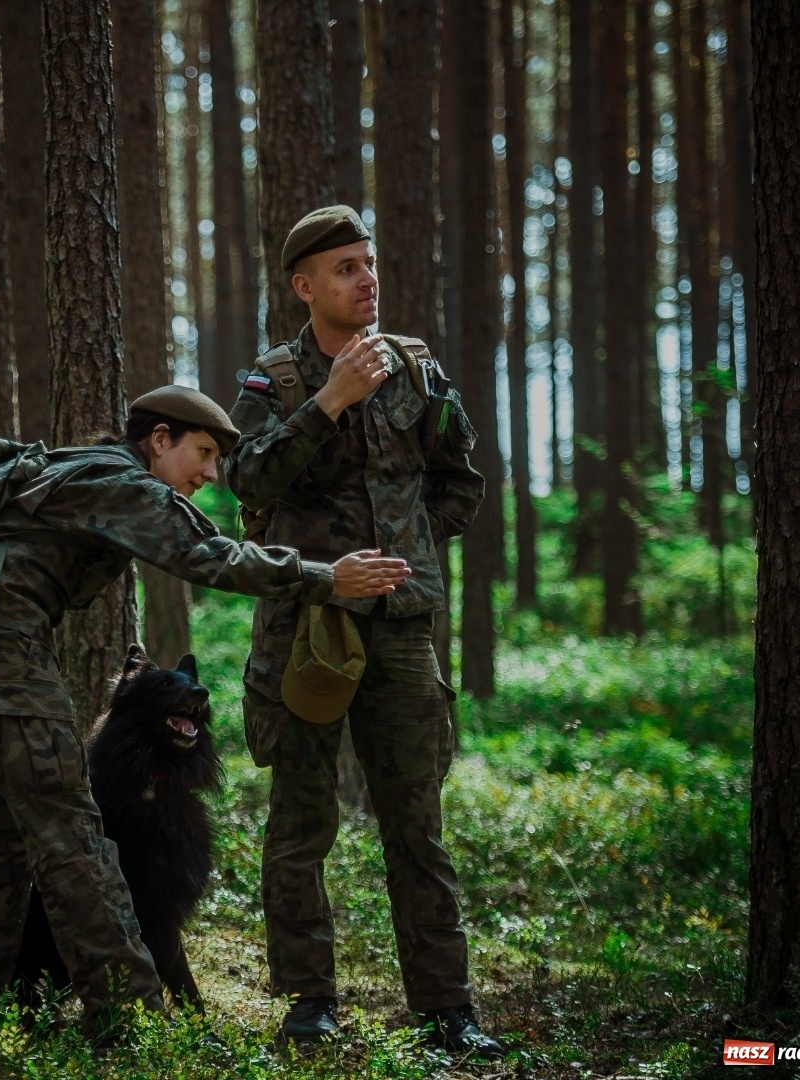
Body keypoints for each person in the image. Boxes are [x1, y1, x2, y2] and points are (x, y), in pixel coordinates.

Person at [0, 383, 410, 1044]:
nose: (212, 473)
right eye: (202, 452)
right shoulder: (127, 484)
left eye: (219, 460)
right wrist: (323, 576)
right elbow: (211, 555)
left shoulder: (71, 468)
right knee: (70, 832)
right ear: (157, 440)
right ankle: (131, 1021)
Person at [225, 205, 503, 1057]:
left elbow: (462, 482)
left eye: (370, 264)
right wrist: (330, 401)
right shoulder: (273, 380)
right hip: (307, 625)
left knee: (416, 824)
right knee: (300, 823)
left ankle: (447, 1010)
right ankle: (309, 1001)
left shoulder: (418, 371)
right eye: (346, 268)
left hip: (401, 632)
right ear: (306, 286)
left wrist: (410, 551)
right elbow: (246, 477)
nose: (367, 279)